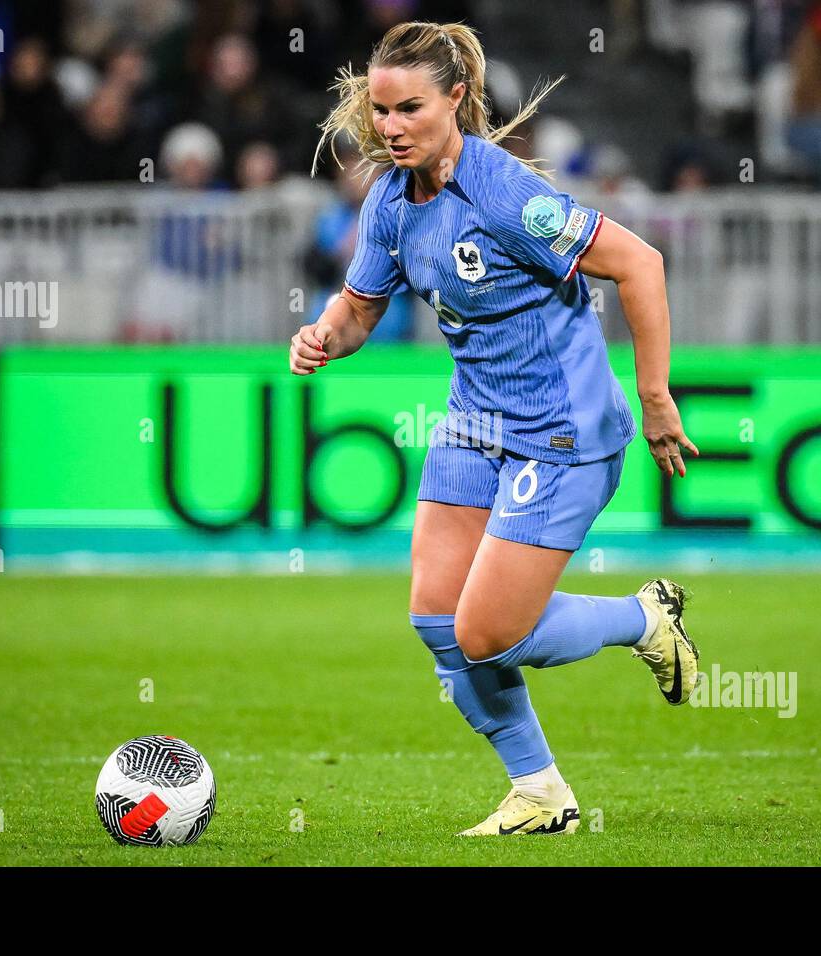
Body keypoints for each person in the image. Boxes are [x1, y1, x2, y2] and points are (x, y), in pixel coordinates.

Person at [291, 21, 702, 836]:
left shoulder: (505, 192)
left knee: (487, 634)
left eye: (409, 109)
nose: (390, 127)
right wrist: (324, 337)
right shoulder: (388, 201)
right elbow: (361, 308)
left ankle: (644, 620)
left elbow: (639, 263)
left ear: (458, 99)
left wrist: (655, 399)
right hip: (474, 426)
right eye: (380, 112)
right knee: (439, 621)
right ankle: (542, 793)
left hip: (562, 433)